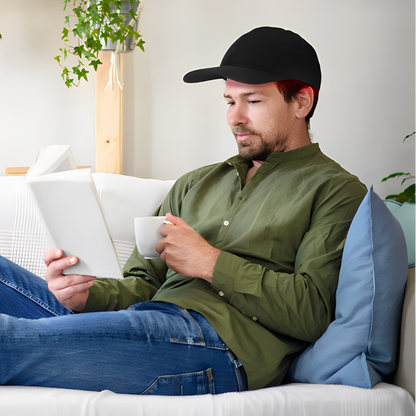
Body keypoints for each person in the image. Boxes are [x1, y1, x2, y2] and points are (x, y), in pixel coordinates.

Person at [0, 27, 367, 395]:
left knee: (8, 339)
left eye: (252, 101)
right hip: (147, 324)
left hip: (218, 346)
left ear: (301, 102)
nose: (234, 118)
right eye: (229, 101)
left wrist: (210, 262)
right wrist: (86, 296)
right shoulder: (196, 183)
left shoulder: (335, 191)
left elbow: (313, 314)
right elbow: (144, 284)